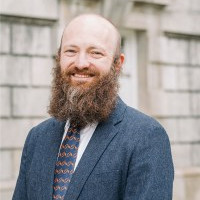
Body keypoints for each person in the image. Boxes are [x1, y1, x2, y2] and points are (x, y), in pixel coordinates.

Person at [12, 14, 174, 200]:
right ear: (59, 58)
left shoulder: (146, 137)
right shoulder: (37, 137)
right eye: (71, 51)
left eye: (95, 53)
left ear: (118, 64)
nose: (80, 63)